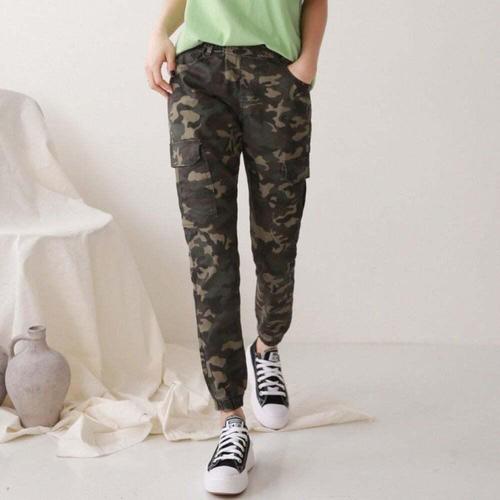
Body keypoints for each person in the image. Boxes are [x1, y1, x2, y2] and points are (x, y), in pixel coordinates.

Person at [146, 0, 327, 494]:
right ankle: (231, 419)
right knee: (210, 255)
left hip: (277, 74)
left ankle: (266, 348)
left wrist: (307, 63)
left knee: (278, 240)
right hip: (199, 76)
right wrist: (160, 31)